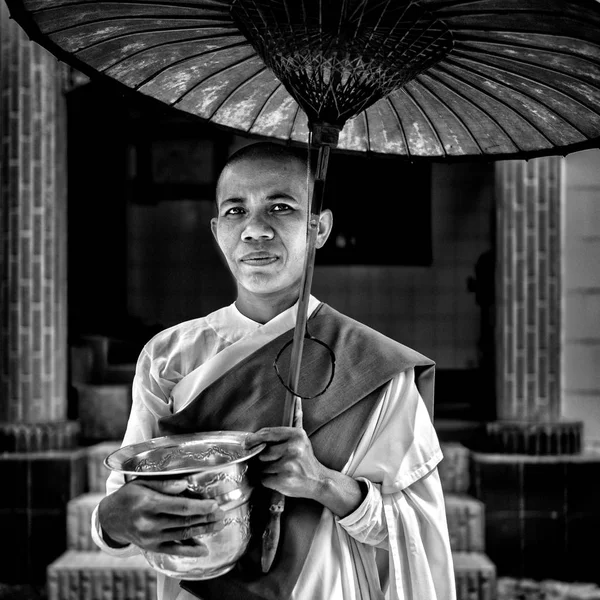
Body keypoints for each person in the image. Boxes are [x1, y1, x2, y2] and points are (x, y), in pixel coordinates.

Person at [91, 142, 456, 600]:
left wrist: (322, 482)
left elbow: (416, 535)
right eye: (235, 210)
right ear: (216, 229)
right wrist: (113, 520)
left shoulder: (376, 367)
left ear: (319, 227)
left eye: (280, 207)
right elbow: (123, 505)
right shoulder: (170, 357)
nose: (254, 229)